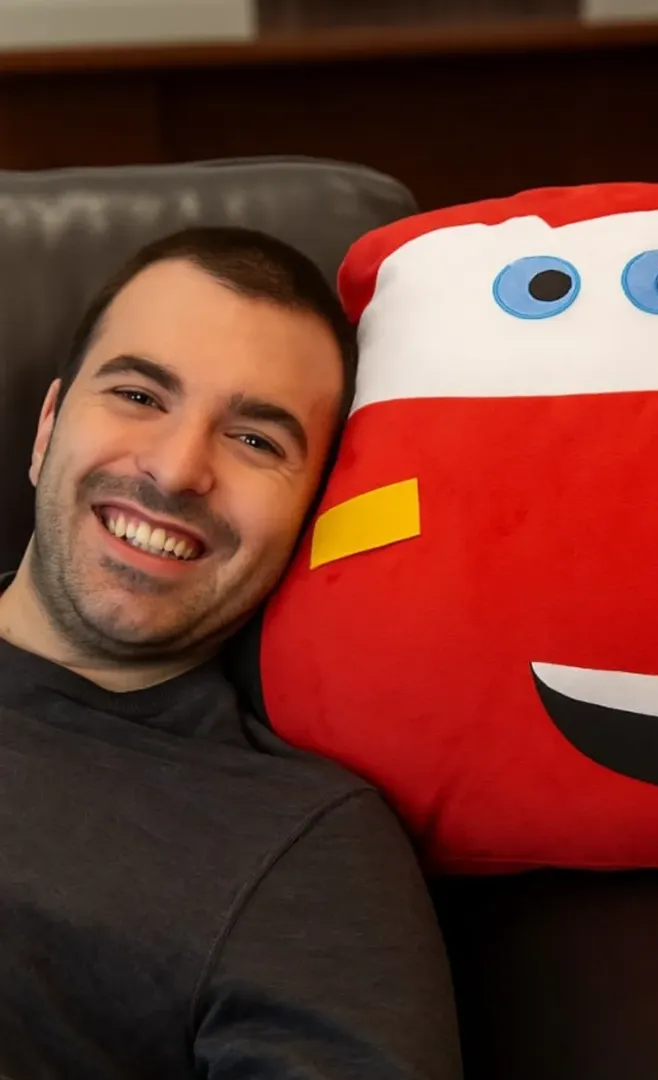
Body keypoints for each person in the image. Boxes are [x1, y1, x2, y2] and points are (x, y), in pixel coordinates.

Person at [0, 227, 463, 1080]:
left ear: (310, 516)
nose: (178, 470)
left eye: (256, 441)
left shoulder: (299, 844)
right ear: (46, 429)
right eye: (139, 395)